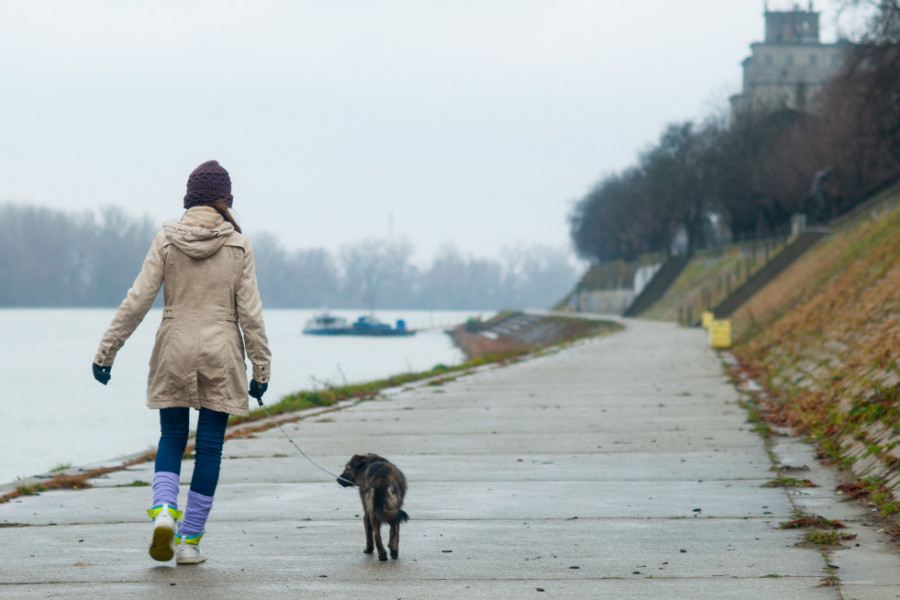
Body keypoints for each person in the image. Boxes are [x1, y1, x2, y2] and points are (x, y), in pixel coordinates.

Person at [92, 160, 271, 565]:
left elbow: (137, 300)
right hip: (221, 349)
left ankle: (164, 514)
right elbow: (252, 314)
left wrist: (107, 352)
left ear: (189, 198)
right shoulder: (240, 245)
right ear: (226, 200)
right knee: (209, 449)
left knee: (172, 437)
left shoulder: (167, 240)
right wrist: (261, 369)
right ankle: (189, 542)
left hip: (173, 345)